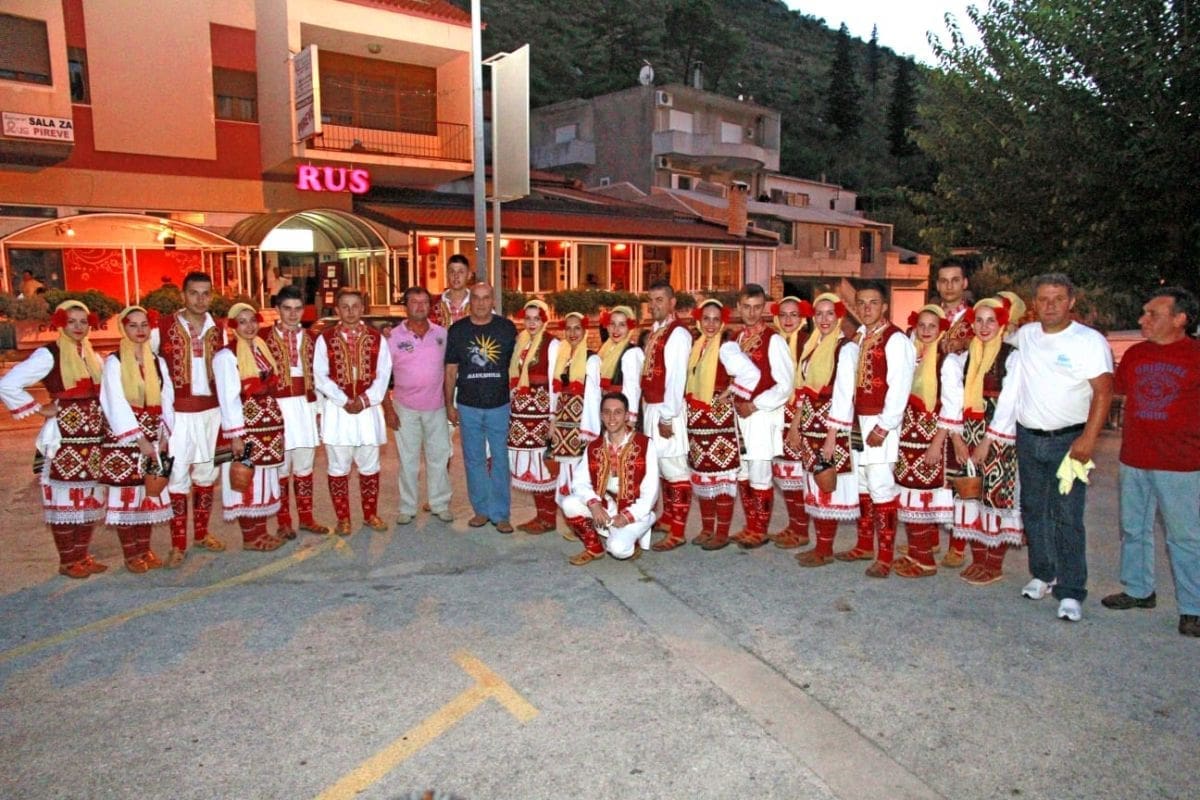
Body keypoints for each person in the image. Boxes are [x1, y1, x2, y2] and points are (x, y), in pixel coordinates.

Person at [1013, 273, 1113, 622]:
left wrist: (1089, 438)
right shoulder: (1026, 335)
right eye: (1043, 299)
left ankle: (1071, 590)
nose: (1050, 305)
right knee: (1033, 510)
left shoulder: (1088, 341)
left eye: (1058, 299)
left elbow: (1104, 392)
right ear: (1034, 303)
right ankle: (1043, 574)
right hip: (1028, 437)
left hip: (1068, 441)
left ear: (1071, 302)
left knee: (1067, 516)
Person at [1103, 287, 1200, 637]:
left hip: (1181, 463)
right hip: (1134, 457)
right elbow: (1113, 392)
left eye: (1152, 314)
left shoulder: (1195, 356)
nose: (1142, 319)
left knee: (1185, 537)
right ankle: (1138, 589)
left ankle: (1193, 608)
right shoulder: (1136, 354)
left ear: (1180, 319)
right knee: (1133, 528)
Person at [0, 300, 107, 578]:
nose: (78, 327)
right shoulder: (48, 354)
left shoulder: (92, 356)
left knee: (89, 499)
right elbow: (7, 384)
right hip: (64, 440)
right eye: (71, 321)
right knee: (65, 501)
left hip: (93, 440)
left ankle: (82, 556)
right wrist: (39, 408)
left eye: (83, 322)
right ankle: (68, 561)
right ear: (61, 324)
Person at [836, 281, 916, 577]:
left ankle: (885, 556)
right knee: (862, 484)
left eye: (873, 303)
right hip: (859, 421)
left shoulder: (895, 340)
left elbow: (900, 384)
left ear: (884, 306)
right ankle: (863, 545)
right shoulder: (858, 339)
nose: (866, 308)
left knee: (881, 486)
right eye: (861, 303)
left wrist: (884, 425)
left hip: (882, 422)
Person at [946, 297, 1023, 584]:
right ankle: (978, 559)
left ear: (1001, 323)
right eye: (979, 320)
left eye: (991, 320)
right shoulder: (964, 358)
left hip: (998, 437)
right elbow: (952, 401)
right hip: (968, 433)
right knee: (971, 495)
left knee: (995, 496)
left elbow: (1009, 403)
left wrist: (988, 441)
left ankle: (994, 563)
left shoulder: (1011, 356)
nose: (984, 326)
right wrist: (957, 438)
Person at [152, 271, 225, 566]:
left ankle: (202, 534)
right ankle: (178, 544)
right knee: (177, 476)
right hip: (178, 414)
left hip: (212, 412)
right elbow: (144, 365)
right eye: (194, 293)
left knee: (207, 473)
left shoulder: (219, 328)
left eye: (206, 293)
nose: (200, 299)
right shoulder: (162, 328)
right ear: (183, 295)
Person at [97, 306, 174, 572]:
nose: (140, 330)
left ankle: (145, 548)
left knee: (147, 494)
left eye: (144, 325)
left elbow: (167, 398)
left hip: (154, 433)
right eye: (133, 325)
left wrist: (164, 435)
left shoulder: (157, 361)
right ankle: (131, 554)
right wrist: (137, 438)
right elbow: (114, 401)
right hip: (125, 439)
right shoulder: (114, 362)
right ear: (123, 328)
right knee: (127, 496)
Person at [786, 293, 861, 567]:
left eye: (830, 313)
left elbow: (844, 395)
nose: (824, 319)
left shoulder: (846, 348)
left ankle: (825, 549)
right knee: (814, 485)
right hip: (810, 426)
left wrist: (832, 437)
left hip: (831, 427)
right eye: (819, 313)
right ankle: (820, 545)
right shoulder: (813, 345)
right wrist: (795, 426)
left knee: (827, 484)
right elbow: (805, 391)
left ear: (839, 316)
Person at [314, 288, 392, 535]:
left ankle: (370, 515)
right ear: (337, 309)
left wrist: (365, 400)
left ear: (363, 308)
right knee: (338, 467)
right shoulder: (325, 339)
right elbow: (320, 375)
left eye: (355, 306)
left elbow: (384, 374)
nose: (350, 311)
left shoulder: (376, 338)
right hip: (338, 412)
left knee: (370, 465)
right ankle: (343, 519)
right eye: (345, 306)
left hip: (368, 412)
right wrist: (343, 399)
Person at [684, 299, 759, 551]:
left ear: (722, 322)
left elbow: (752, 374)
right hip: (697, 420)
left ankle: (722, 532)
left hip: (719, 420)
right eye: (706, 318)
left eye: (716, 319)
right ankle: (707, 528)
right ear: (699, 320)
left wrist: (732, 390)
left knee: (722, 476)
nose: (711, 324)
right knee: (703, 476)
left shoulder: (726, 348)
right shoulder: (697, 347)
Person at [891, 304, 959, 578]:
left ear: (941, 329)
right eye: (922, 325)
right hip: (908, 437)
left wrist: (936, 443)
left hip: (931, 440)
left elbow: (951, 406)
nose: (927, 330)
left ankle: (926, 561)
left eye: (933, 326)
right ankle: (915, 552)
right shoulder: (913, 355)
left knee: (921, 499)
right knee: (908, 496)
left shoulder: (947, 361)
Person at [444, 282, 518, 532]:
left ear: (493, 301)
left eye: (486, 298)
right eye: (476, 297)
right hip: (468, 405)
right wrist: (449, 405)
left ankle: (501, 514)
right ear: (470, 301)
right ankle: (481, 510)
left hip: (500, 405)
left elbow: (517, 367)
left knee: (500, 459)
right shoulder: (458, 330)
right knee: (473, 459)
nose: (481, 303)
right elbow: (450, 370)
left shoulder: (506, 328)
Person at [213, 304, 287, 550]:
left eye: (252, 320)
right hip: (245, 428)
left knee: (264, 478)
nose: (249, 326)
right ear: (234, 326)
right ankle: (250, 537)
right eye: (242, 322)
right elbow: (228, 398)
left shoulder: (260, 348)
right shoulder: (227, 356)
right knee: (245, 478)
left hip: (266, 426)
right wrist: (236, 435)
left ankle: (261, 532)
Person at [559, 391, 659, 565]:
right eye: (607, 412)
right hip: (606, 506)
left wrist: (627, 516)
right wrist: (594, 504)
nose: (612, 418)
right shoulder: (594, 446)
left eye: (618, 412)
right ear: (601, 415)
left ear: (627, 416)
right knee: (569, 503)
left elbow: (651, 492)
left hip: (636, 509)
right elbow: (579, 482)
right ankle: (594, 548)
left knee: (618, 549)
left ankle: (631, 538)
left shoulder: (645, 444)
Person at [262, 286, 330, 537]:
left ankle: (307, 518)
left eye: (297, 308)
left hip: (305, 406)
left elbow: (321, 376)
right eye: (287, 308)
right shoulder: (262, 337)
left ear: (304, 310)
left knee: (304, 466)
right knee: (280, 467)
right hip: (276, 408)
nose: (292, 314)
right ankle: (283, 521)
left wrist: (319, 410)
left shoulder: (313, 338)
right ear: (277, 309)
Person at [731, 284, 795, 549]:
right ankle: (750, 524)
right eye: (747, 307)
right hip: (740, 415)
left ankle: (760, 529)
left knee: (759, 472)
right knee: (743, 472)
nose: (752, 312)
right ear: (738, 307)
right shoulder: (736, 339)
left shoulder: (773, 340)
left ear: (764, 309)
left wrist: (755, 405)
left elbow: (785, 384)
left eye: (757, 307)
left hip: (761, 415)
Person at [387, 286, 453, 525]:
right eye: (414, 302)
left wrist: (451, 404)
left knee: (439, 457)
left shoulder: (442, 334)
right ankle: (407, 507)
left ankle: (440, 504)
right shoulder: (393, 336)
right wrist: (388, 409)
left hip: (437, 407)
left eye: (424, 302)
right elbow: (382, 375)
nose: (420, 306)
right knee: (408, 460)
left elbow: (451, 369)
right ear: (405, 306)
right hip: (405, 408)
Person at [639, 281, 695, 551]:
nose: (654, 305)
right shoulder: (656, 330)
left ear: (673, 302)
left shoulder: (678, 333)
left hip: (667, 409)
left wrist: (667, 417)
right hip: (653, 406)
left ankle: (679, 531)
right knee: (660, 466)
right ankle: (669, 517)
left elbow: (676, 377)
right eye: (651, 300)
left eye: (659, 299)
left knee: (675, 469)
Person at [507, 299, 558, 533]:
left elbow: (554, 381)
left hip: (541, 413)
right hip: (521, 413)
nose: (532, 323)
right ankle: (541, 516)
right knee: (531, 468)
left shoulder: (552, 344)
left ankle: (548, 519)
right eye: (528, 318)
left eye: (537, 318)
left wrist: (553, 416)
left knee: (543, 466)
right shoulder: (522, 341)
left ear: (544, 320)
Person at [768, 296, 813, 548]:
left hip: (797, 418)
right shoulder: (774, 342)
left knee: (797, 477)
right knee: (784, 475)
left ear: (802, 318)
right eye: (783, 314)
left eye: (793, 314)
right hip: (777, 415)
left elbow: (806, 387)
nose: (788, 320)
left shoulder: (808, 343)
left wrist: (795, 425)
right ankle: (793, 524)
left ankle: (801, 530)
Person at [547, 312, 597, 533]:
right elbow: (557, 393)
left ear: (585, 331)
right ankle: (574, 522)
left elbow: (593, 397)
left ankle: (585, 523)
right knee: (566, 471)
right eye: (568, 328)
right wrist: (553, 420)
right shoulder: (563, 357)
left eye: (577, 328)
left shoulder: (591, 359)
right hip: (563, 425)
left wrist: (588, 431)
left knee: (581, 474)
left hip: (581, 425)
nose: (573, 333)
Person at [583, 305, 642, 439]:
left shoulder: (632, 353)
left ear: (629, 328)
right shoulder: (605, 350)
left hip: (621, 417)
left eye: (622, 325)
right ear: (607, 327)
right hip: (607, 413)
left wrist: (629, 423)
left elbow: (633, 391)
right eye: (612, 324)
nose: (616, 329)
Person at [933, 261, 973, 355]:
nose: (949, 286)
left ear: (965, 283)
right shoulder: (927, 318)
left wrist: (964, 343)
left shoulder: (975, 319)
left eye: (955, 280)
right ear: (937, 285)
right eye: (944, 281)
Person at [431, 253, 473, 328]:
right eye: (452, 271)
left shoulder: (478, 303)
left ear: (469, 275)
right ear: (447, 274)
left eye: (461, 272)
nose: (456, 276)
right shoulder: (434, 305)